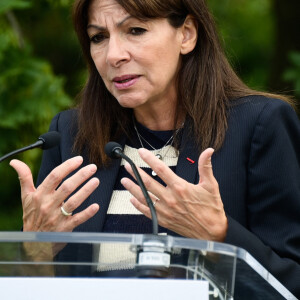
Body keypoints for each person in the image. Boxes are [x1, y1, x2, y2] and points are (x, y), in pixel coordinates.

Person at [10, 0, 300, 297]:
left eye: (135, 30)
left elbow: (292, 283)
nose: (114, 56)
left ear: (186, 34)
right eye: (98, 37)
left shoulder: (259, 125)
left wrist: (221, 236)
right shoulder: (71, 135)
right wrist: (34, 252)